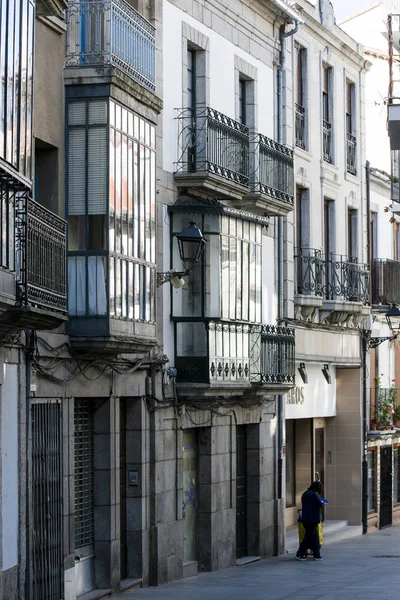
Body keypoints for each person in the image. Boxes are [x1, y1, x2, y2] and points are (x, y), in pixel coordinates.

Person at [296, 481, 324, 561]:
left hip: (306, 518)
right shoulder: (313, 495)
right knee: (308, 537)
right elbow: (319, 504)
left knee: (315, 537)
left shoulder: (305, 494)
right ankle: (300, 553)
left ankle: (316, 555)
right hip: (313, 519)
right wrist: (322, 504)